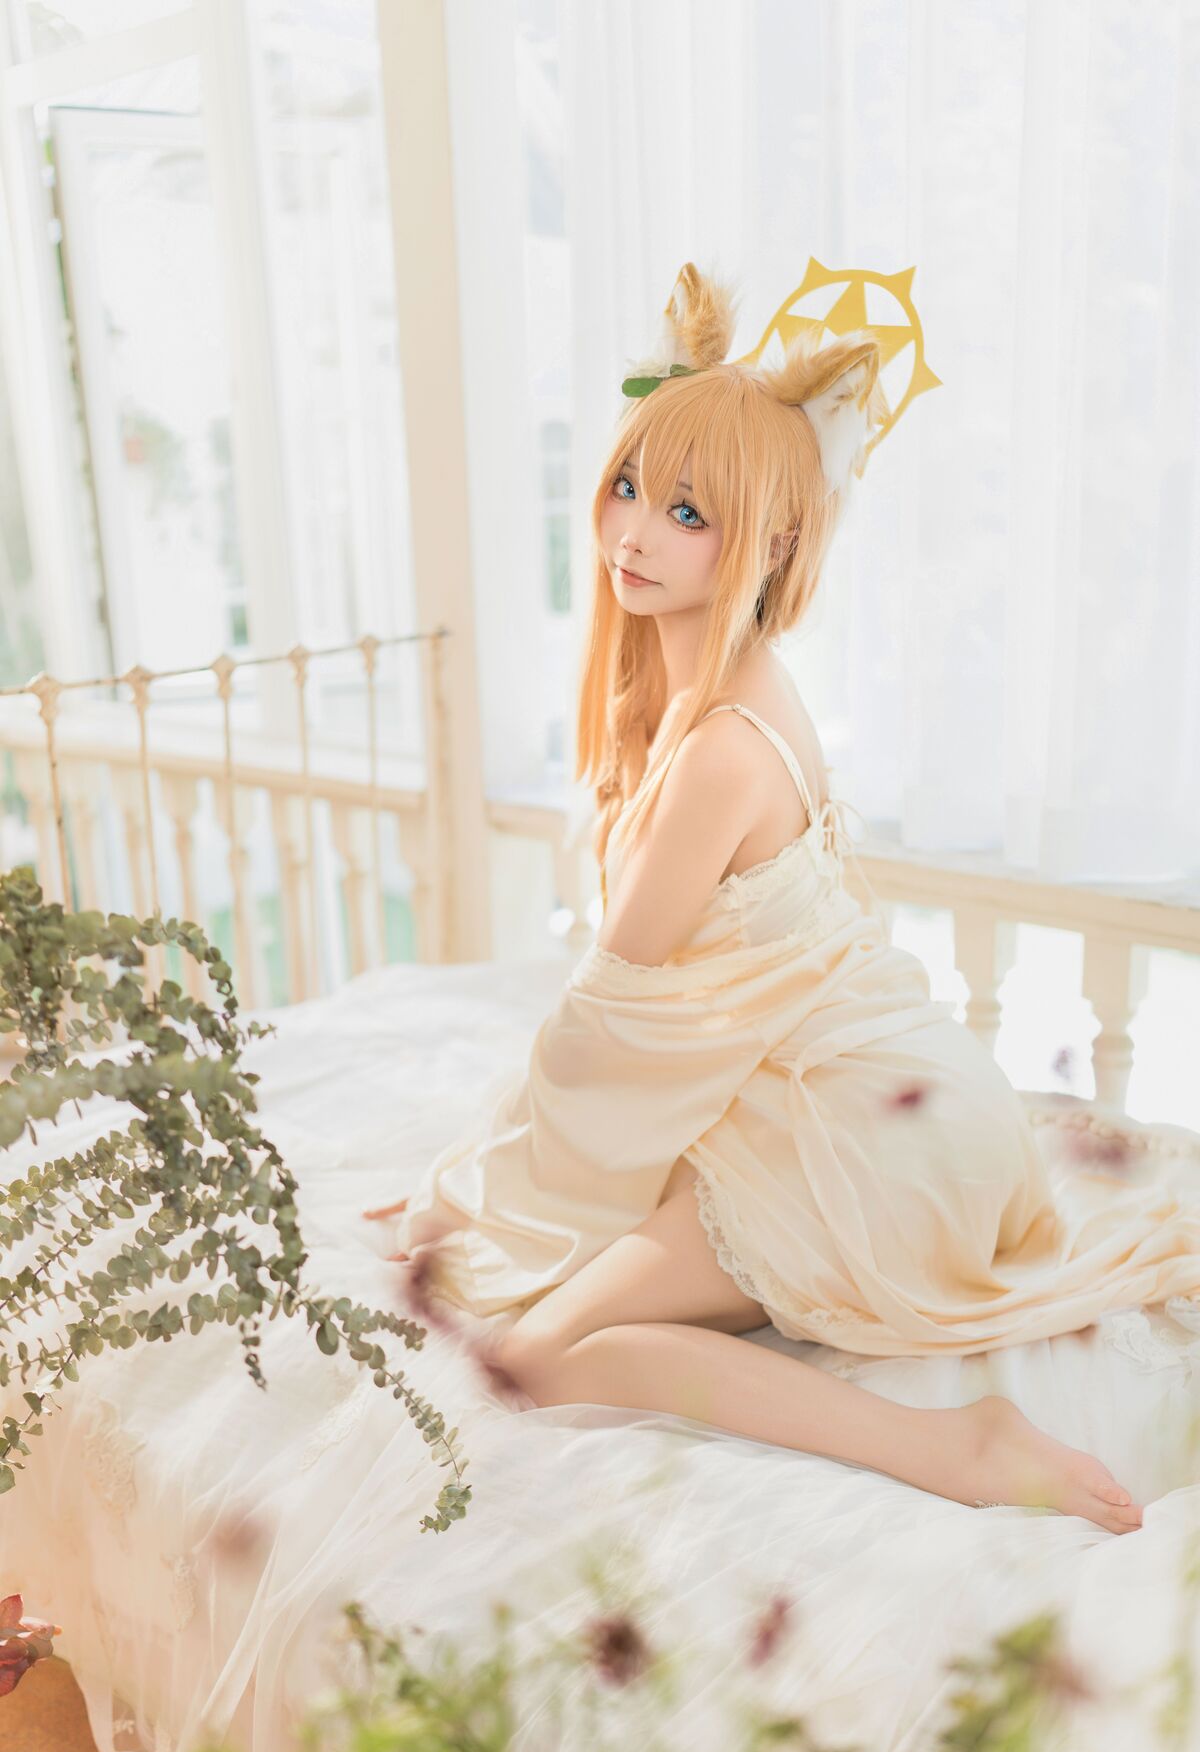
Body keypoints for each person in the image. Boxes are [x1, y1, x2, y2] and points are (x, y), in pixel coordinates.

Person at [366, 262, 1200, 1535]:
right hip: (879, 1106)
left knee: (530, 1355)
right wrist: (475, 1180)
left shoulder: (721, 747)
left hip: (870, 1142)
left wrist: (467, 1190)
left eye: (686, 512)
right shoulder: (720, 691)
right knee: (555, 1309)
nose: (634, 533)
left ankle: (950, 1441)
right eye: (629, 486)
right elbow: (642, 1028)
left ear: (770, 544)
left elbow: (602, 1035)